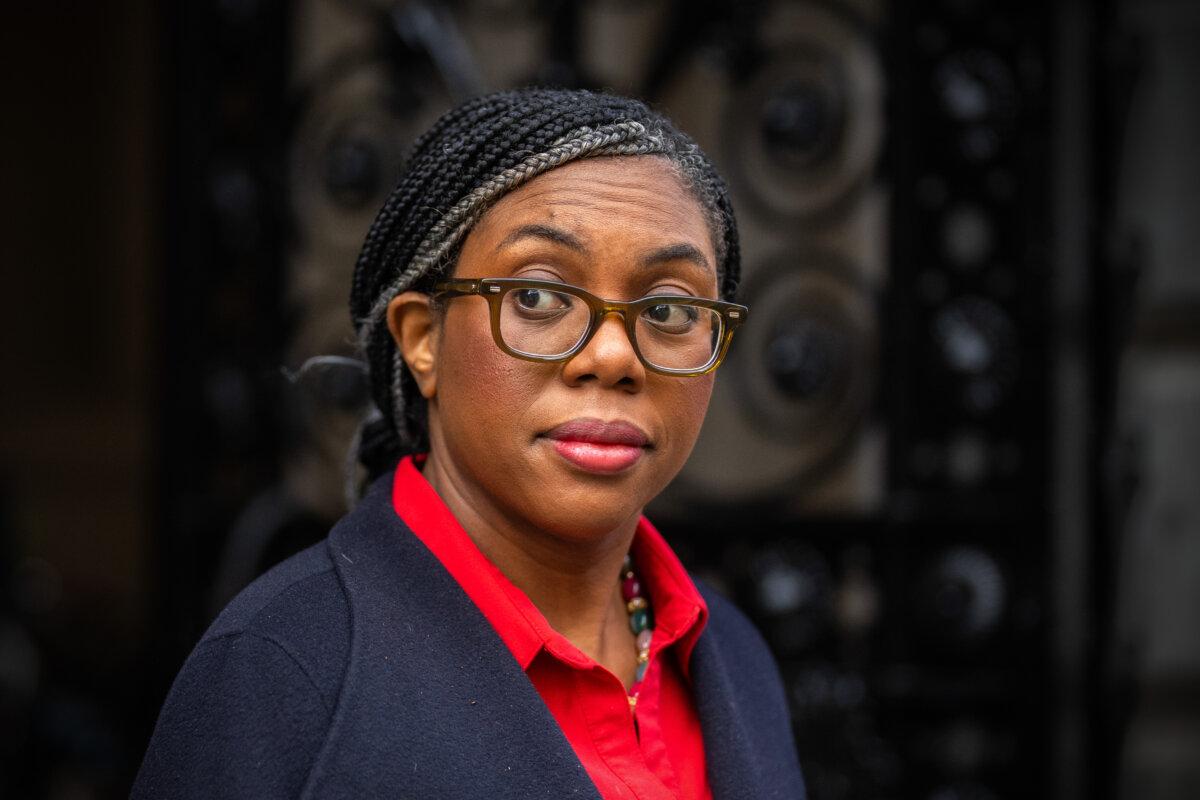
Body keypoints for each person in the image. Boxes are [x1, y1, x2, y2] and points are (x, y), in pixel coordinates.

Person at [133, 88, 805, 799]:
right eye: (538, 297)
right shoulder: (285, 671)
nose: (613, 356)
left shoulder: (732, 658)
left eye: (668, 308)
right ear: (424, 340)